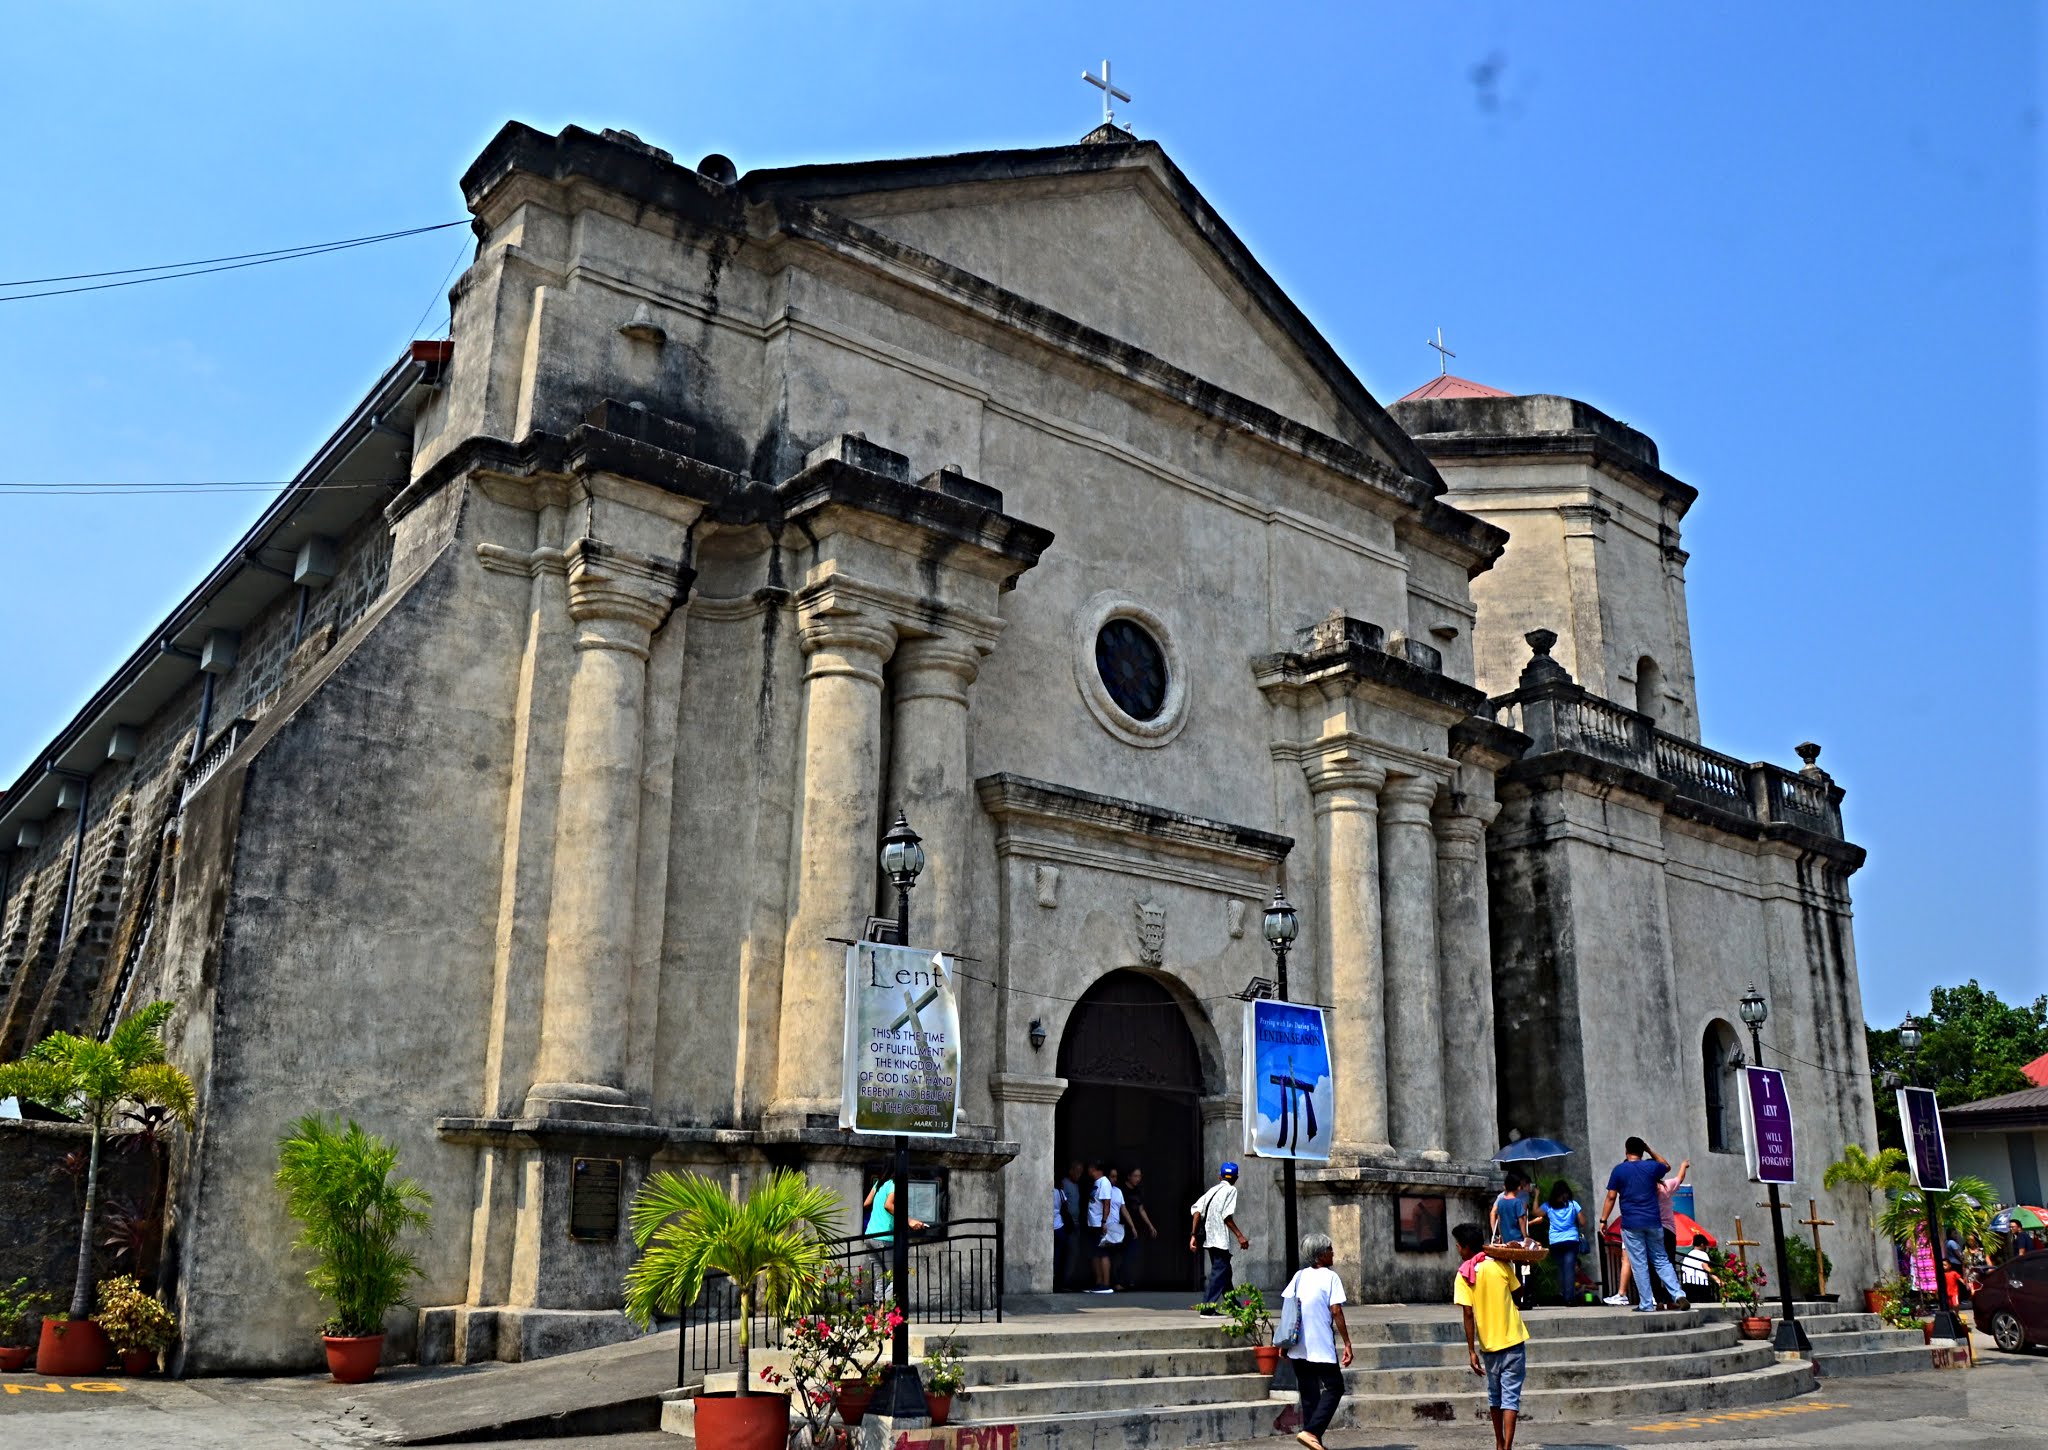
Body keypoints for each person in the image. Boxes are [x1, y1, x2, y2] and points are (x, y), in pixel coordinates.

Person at [1452, 1222, 1548, 1450]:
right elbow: (1518, 1296)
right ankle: (1508, 1446)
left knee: (1495, 1397)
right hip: (1513, 1339)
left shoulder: (1464, 1275)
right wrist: (1519, 1265)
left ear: (1465, 1248)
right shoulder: (1500, 1265)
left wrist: (1471, 1351)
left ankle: (1498, 1442)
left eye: (1458, 1246)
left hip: (1489, 1345)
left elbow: (1468, 1313)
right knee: (1511, 1397)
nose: (1458, 1250)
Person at [1597, 1137, 1688, 1312]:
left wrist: (1603, 1219)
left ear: (1626, 1150)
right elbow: (1666, 1166)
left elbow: (1611, 1197)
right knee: (1662, 1260)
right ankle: (1677, 1293)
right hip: (1654, 1222)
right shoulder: (1651, 1167)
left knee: (1639, 1263)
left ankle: (1646, 1304)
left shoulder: (1619, 1170)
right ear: (1642, 1150)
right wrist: (1649, 1149)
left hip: (1631, 1223)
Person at [1282, 1232, 1353, 1450]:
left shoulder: (1299, 1276)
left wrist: (1283, 1343)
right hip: (1320, 1344)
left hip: (1298, 1345)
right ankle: (1312, 1432)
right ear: (1320, 1255)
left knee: (1310, 1395)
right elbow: (1336, 1311)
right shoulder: (1331, 1277)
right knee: (1335, 1387)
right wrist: (1347, 1342)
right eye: (1330, 1249)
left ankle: (1313, 1440)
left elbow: (1288, 1308)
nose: (1333, 1253)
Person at [1190, 1162, 1250, 1311]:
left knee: (1225, 1273)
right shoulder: (1231, 1190)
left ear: (1220, 1176)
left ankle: (1234, 1306)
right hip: (1220, 1240)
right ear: (1236, 1178)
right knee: (1219, 1273)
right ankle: (1207, 1308)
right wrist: (1240, 1236)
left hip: (1210, 1239)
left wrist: (1193, 1235)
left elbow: (1197, 1212)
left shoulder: (1212, 1191)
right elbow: (1226, 1217)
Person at [863, 1172, 926, 1300]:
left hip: (870, 1235)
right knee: (898, 1276)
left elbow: (867, 1203)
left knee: (881, 1280)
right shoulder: (894, 1183)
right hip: (885, 1238)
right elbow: (888, 1205)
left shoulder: (879, 1184)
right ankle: (882, 1310)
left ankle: (878, 1317)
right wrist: (909, 1220)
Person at [1541, 1181, 1588, 1306]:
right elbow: (1583, 1222)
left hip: (1555, 1241)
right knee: (1569, 1269)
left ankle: (1562, 1294)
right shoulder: (1573, 1204)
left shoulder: (1548, 1206)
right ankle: (1569, 1298)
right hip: (1571, 1240)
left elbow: (1535, 1212)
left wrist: (1536, 1196)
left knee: (1561, 1269)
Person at [1085, 1161, 1123, 1293]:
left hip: (1099, 1223)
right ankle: (1099, 1282)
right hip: (1093, 1223)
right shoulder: (1097, 1183)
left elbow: (1107, 1202)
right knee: (1095, 1254)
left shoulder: (1104, 1182)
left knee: (1103, 1253)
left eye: (1089, 1168)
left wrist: (1104, 1221)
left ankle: (1106, 1284)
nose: (1088, 1171)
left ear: (1094, 1168)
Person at [1119, 1165, 1159, 1289]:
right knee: (1122, 1254)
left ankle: (1128, 1280)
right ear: (1129, 1176)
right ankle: (1120, 1281)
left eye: (1139, 1176)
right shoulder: (1122, 1190)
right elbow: (1122, 1208)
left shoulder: (1137, 1191)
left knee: (1132, 1254)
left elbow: (1141, 1209)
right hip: (1123, 1226)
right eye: (1135, 1176)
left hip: (1135, 1227)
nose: (1138, 1179)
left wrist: (1150, 1226)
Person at [1059, 1161, 1085, 1289]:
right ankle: (1063, 1282)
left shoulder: (1077, 1185)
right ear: (1070, 1171)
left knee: (1073, 1254)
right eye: (1077, 1171)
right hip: (1067, 1225)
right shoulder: (1065, 1183)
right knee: (1067, 1252)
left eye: (1081, 1172)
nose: (1079, 1174)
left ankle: (1067, 1280)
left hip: (1076, 1223)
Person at [1491, 1171, 1530, 1244]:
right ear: (1518, 1187)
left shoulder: (1500, 1202)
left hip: (1505, 1239)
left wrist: (1501, 1236)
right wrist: (1526, 1237)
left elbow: (1499, 1221)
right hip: (1517, 1239)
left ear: (1505, 1186)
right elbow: (1521, 1221)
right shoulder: (1517, 1202)